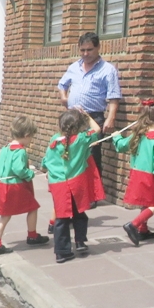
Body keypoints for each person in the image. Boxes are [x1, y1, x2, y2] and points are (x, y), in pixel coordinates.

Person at [56, 33, 121, 189]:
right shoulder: (74, 67)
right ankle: (72, 188)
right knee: (71, 153)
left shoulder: (108, 70)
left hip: (93, 118)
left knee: (91, 156)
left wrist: (111, 118)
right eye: (82, 50)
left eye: (89, 50)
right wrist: (64, 97)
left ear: (98, 47)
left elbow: (114, 96)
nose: (85, 54)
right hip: (73, 119)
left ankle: (92, 193)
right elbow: (62, 84)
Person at [41, 109, 101, 264]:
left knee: (61, 218)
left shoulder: (54, 140)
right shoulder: (81, 139)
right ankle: (80, 242)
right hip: (76, 182)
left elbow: (45, 161)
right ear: (78, 126)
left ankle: (62, 252)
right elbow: (97, 129)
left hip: (58, 184)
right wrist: (87, 116)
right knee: (80, 213)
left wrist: (47, 170)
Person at [113, 101, 154, 246]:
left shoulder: (138, 135)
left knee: (146, 202)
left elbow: (121, 146)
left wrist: (116, 136)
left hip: (137, 174)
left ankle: (143, 229)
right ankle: (134, 224)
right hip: (151, 176)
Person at [0, 116, 49, 256]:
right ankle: (31, 236)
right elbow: (19, 170)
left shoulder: (5, 148)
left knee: (4, 215)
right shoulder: (20, 151)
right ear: (26, 135)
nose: (31, 140)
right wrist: (30, 173)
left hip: (1, 184)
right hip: (13, 187)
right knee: (32, 208)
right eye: (31, 137)